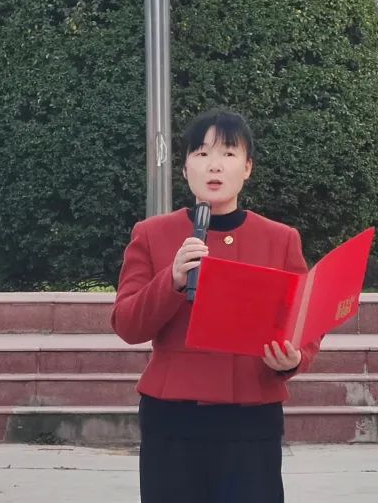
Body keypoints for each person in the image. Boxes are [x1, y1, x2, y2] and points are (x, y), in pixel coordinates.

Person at [111, 109, 319, 503]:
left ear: (247, 167)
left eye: (228, 153)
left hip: (250, 418)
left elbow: (305, 322)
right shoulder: (152, 234)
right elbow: (127, 324)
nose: (214, 165)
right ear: (185, 168)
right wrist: (172, 279)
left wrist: (292, 359)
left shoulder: (280, 239)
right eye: (202, 153)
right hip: (173, 419)